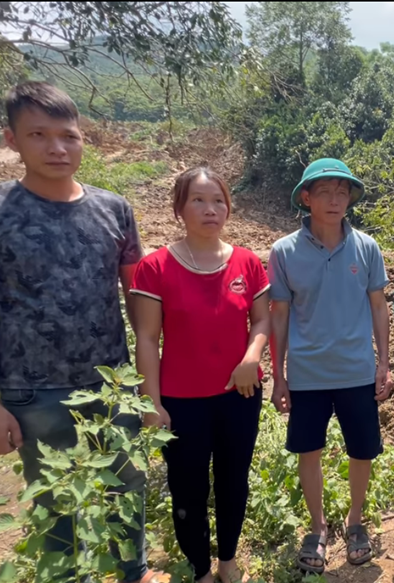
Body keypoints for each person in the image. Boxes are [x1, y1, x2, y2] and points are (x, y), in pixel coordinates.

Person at [0, 81, 165, 582]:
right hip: (32, 391)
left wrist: (145, 383)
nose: (56, 147)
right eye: (39, 135)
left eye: (67, 135)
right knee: (56, 507)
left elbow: (140, 301)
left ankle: (131, 573)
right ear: (11, 140)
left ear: (83, 139)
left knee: (125, 489)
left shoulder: (113, 209)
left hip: (111, 384)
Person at [132, 167, 270, 583]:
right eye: (198, 200)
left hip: (239, 395)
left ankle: (228, 562)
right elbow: (146, 338)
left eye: (218, 200)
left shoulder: (247, 262)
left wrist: (252, 357)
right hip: (180, 402)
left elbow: (262, 321)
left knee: (234, 480)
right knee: (187, 489)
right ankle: (200, 569)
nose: (211, 209)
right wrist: (151, 403)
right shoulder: (155, 267)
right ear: (179, 208)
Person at [267, 158, 392, 574]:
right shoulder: (284, 251)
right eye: (325, 192)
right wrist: (280, 375)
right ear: (306, 198)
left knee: (362, 450)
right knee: (309, 451)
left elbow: (379, 307)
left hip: (357, 370)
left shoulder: (367, 247)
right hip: (307, 375)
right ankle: (317, 526)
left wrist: (383, 364)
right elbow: (280, 315)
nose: (336, 200)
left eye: (343, 192)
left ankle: (356, 520)